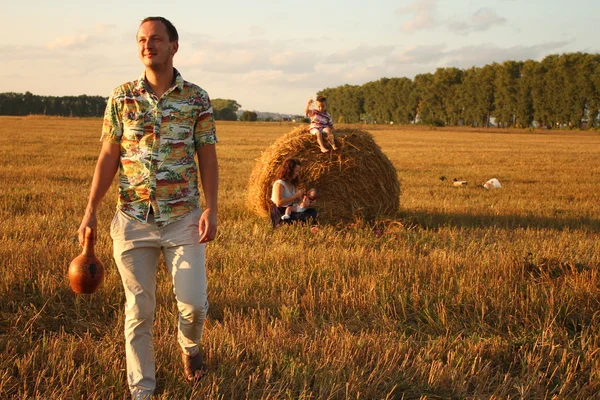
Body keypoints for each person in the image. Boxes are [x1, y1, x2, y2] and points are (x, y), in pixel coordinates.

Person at [77, 16, 218, 399]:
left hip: (183, 216)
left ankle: (190, 347)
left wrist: (212, 207)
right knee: (138, 311)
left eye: (155, 39)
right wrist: (91, 209)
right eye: (141, 39)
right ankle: (142, 391)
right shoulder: (121, 97)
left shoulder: (196, 98)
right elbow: (108, 155)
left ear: (174, 45)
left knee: (193, 304)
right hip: (132, 218)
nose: (147, 45)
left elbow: (207, 154)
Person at [270, 159, 318, 226]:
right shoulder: (280, 184)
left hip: (291, 209)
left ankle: (299, 223)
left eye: (298, 171)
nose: (297, 173)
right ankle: (287, 223)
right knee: (291, 220)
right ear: (289, 170)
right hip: (280, 210)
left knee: (312, 211)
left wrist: (308, 203)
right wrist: (295, 195)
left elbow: (298, 201)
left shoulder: (292, 184)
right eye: (296, 171)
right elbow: (279, 203)